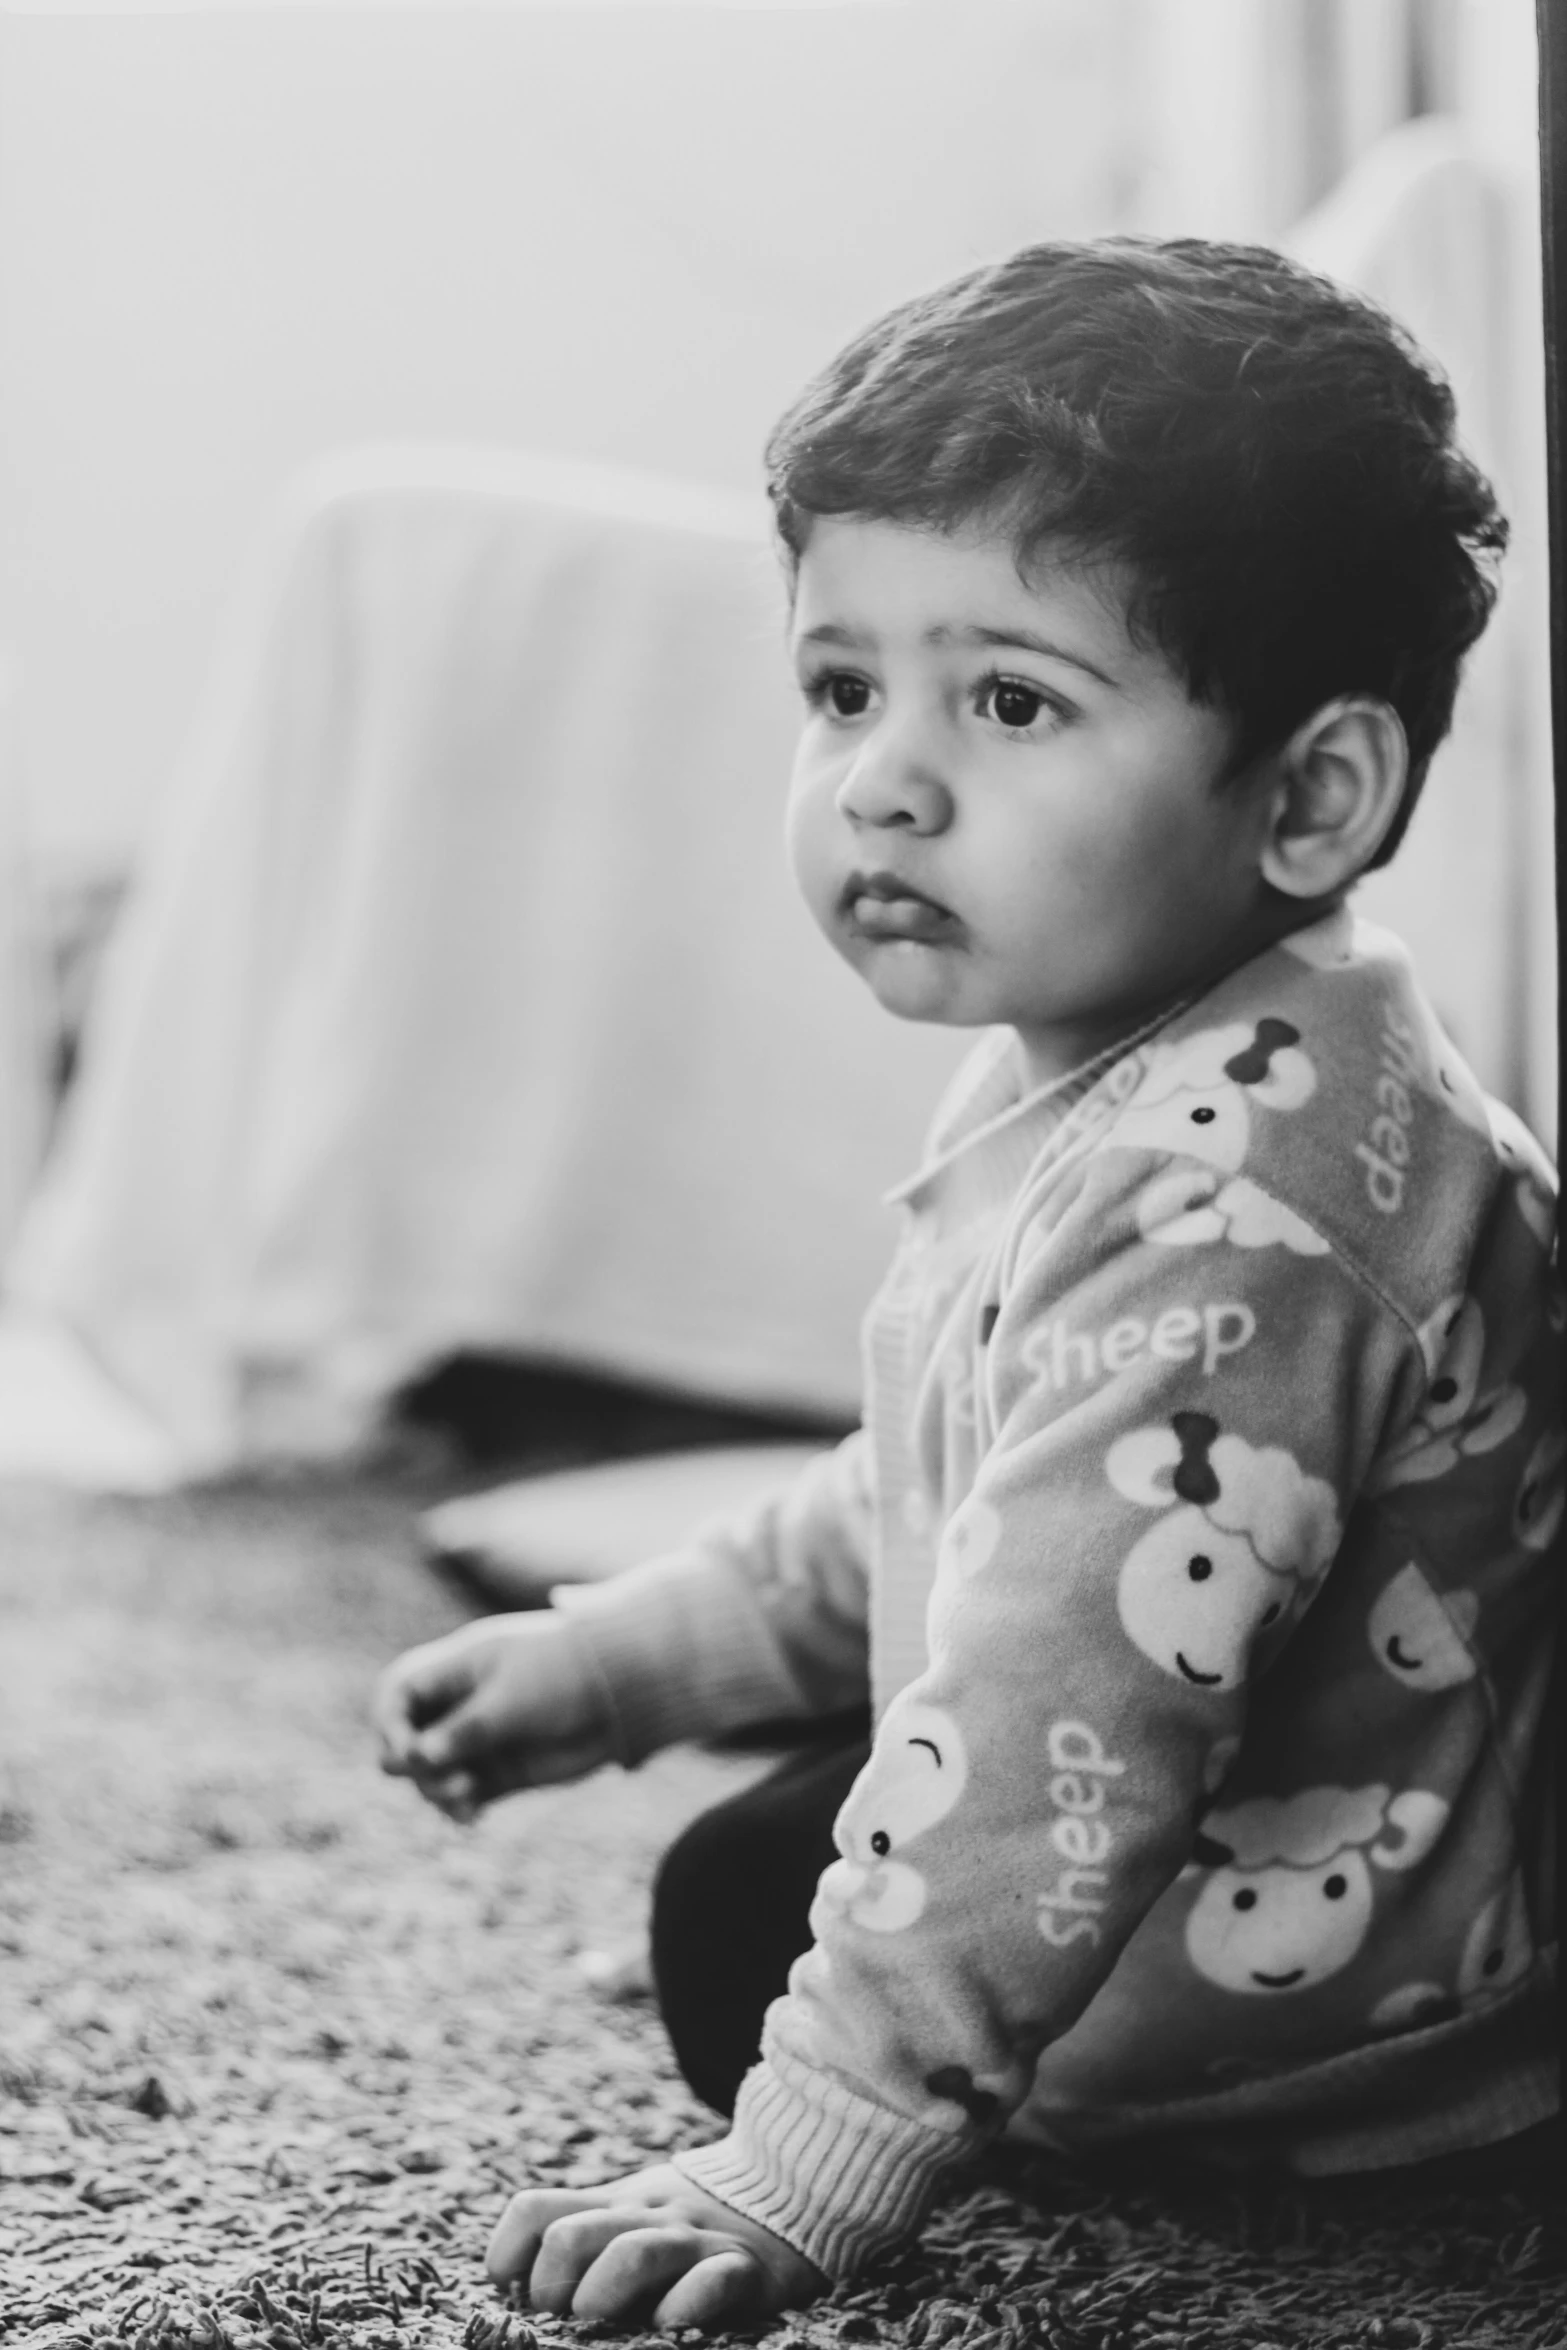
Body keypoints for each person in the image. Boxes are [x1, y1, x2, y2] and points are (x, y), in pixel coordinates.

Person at [375, 238, 1562, 2330]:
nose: (883, 780)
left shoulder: (1243, 1215)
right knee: (774, 1858)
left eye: (1009, 699)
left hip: (1349, 2017)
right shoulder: (1178, 1066)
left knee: (764, 1920)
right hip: (1261, 1784)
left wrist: (800, 2162)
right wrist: (631, 1659)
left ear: (1309, 793)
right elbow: (944, 1493)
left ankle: (1222, 2107)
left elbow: (1053, 1715)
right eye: (844, 687)